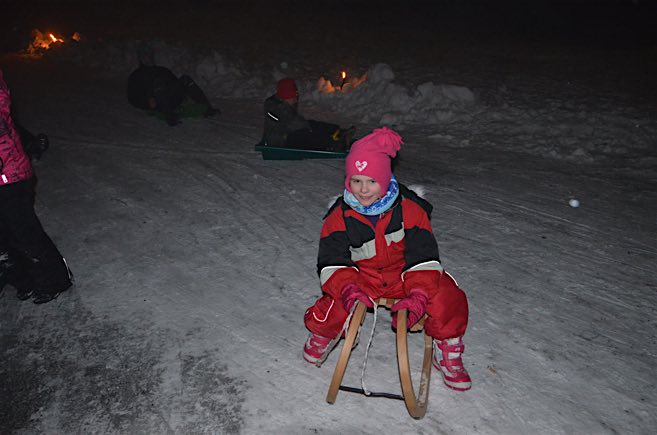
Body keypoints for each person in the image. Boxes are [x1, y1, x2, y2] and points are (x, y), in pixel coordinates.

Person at [302, 127, 472, 391]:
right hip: (363, 278)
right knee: (334, 298)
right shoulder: (340, 215)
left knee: (446, 293)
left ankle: (448, 350)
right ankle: (324, 333)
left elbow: (423, 255)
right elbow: (331, 260)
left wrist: (417, 295)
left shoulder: (410, 210)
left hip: (405, 276)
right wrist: (348, 288)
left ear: (384, 177)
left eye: (371, 181)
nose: (363, 189)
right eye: (356, 180)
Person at [0, 69, 73, 304]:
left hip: (11, 176)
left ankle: (56, 279)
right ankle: (25, 278)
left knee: (24, 233)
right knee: (5, 234)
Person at [127, 48, 218, 127]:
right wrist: (147, 101)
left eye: (148, 55)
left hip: (167, 98)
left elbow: (174, 82)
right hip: (155, 104)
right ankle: (169, 116)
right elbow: (132, 98)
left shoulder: (161, 70)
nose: (147, 58)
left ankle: (208, 108)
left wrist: (183, 93)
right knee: (158, 84)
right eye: (145, 56)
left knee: (185, 80)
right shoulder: (136, 75)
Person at [261, 78, 353, 152]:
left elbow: (294, 120)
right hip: (280, 140)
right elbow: (290, 123)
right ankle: (335, 143)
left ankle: (337, 131)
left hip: (288, 132)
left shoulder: (284, 103)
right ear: (286, 96)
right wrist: (309, 127)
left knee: (312, 124)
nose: (295, 99)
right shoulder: (273, 108)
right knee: (307, 134)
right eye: (293, 97)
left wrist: (310, 125)